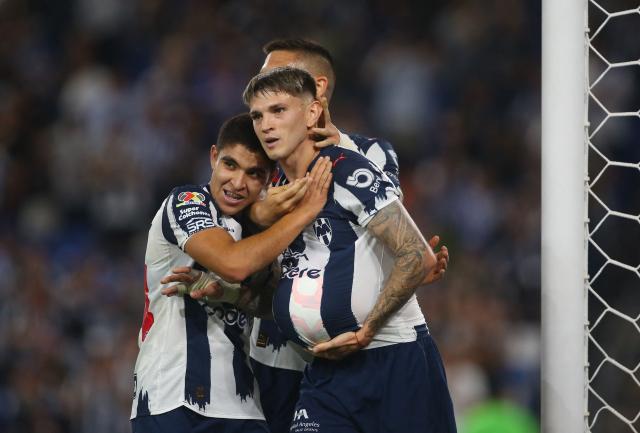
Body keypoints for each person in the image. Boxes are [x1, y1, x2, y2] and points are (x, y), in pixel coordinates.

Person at [247, 38, 448, 433]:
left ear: (314, 101)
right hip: (318, 370)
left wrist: (365, 331)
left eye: (277, 108)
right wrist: (258, 213)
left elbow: (414, 254)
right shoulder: (262, 180)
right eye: (257, 114)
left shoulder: (354, 164)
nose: (265, 123)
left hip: (392, 358)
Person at [130, 113, 333, 433]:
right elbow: (232, 262)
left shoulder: (264, 235)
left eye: (254, 173)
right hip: (172, 398)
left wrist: (231, 293)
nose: (238, 182)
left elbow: (271, 305)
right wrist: (306, 210)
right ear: (213, 157)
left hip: (243, 406)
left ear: (269, 179)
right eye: (230, 165)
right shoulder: (186, 202)